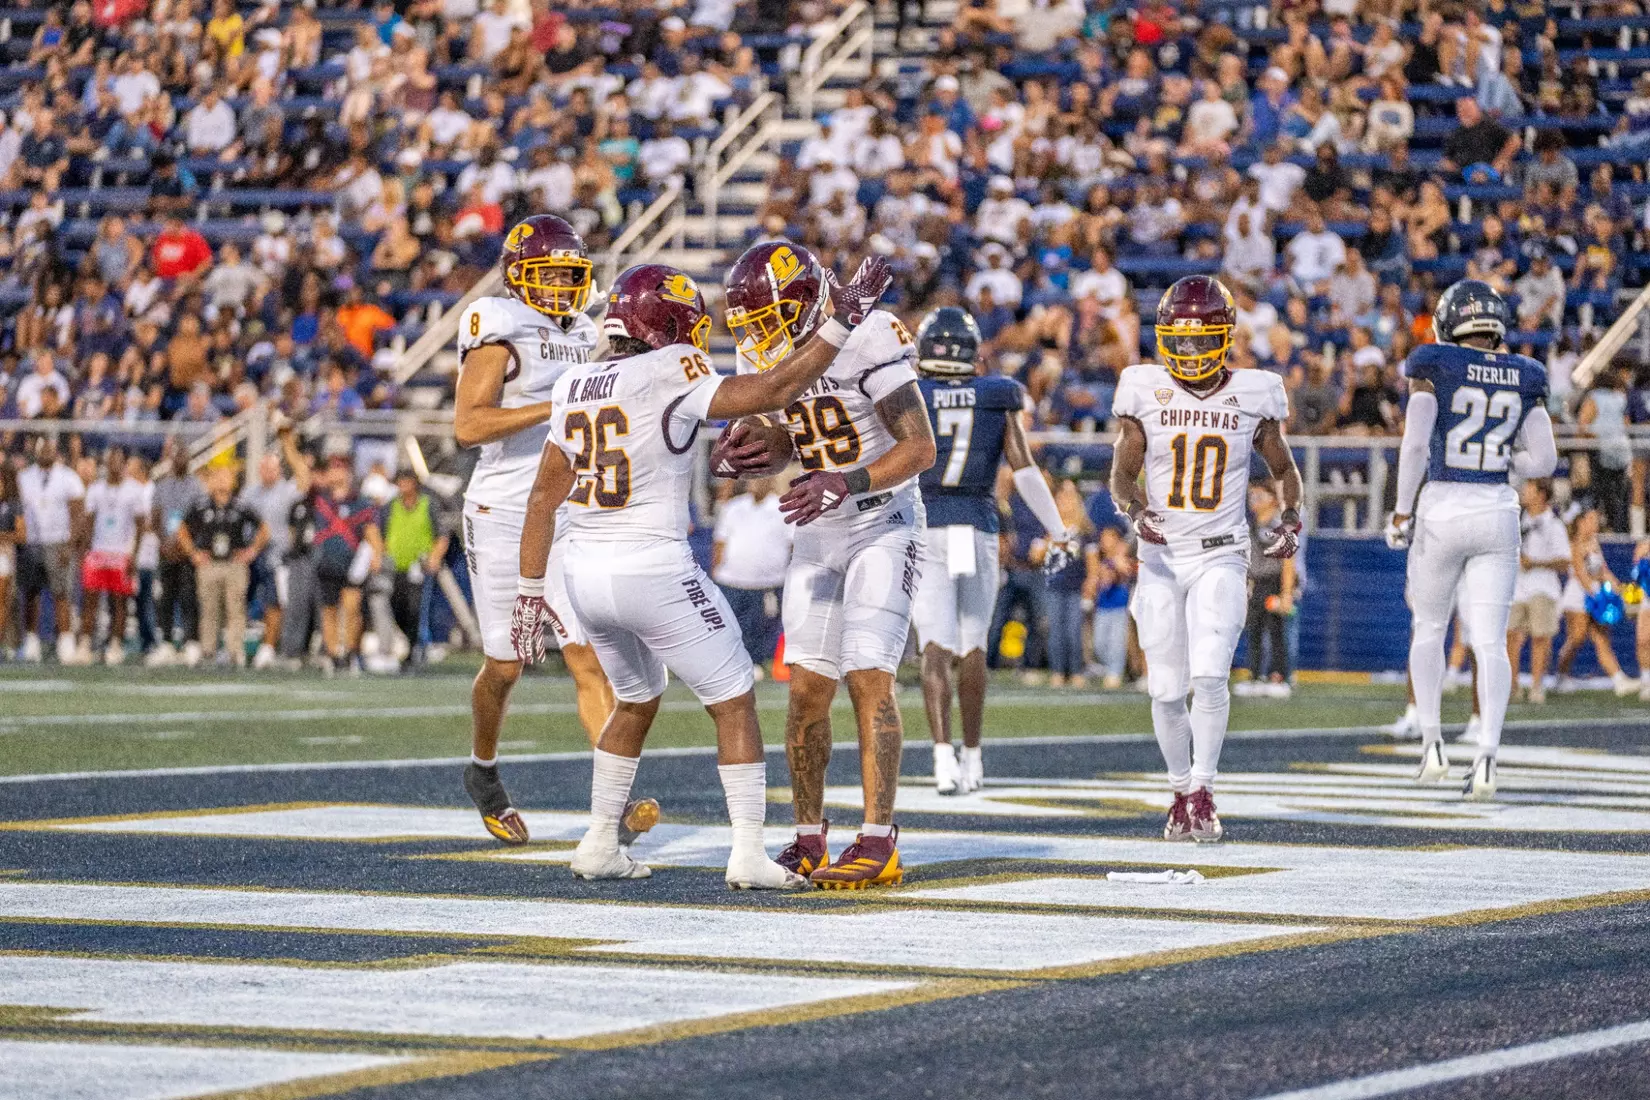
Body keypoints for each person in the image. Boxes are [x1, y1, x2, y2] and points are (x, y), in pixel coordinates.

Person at [514, 258, 891, 886]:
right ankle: (747, 853)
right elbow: (770, 393)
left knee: (635, 698)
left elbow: (540, 497)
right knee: (734, 695)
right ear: (669, 323)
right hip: (652, 565)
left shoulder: (572, 383)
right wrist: (842, 321)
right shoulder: (671, 366)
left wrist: (529, 590)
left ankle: (600, 842)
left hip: (582, 572)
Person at [717, 240, 937, 888]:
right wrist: (765, 448)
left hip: (883, 522)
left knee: (869, 674)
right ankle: (809, 838)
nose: (760, 335)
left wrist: (848, 480)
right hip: (820, 526)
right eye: (750, 323)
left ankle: (878, 839)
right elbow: (803, 429)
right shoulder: (771, 346)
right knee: (807, 688)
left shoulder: (868, 335)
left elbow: (920, 447)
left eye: (769, 317)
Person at [1110, 275, 1303, 842]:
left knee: (1211, 672)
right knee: (1166, 688)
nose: (1190, 351)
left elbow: (1284, 470)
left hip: (1222, 553)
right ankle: (1177, 790)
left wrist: (1291, 518)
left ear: (1225, 336)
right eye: (1181, 339)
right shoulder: (1143, 388)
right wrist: (1132, 508)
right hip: (1162, 556)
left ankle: (1203, 789)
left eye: (1202, 339)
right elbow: (1123, 471)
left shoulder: (1254, 391)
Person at [454, 215, 617, 846]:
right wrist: (553, 407)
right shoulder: (498, 324)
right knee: (505, 664)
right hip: (501, 512)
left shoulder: (585, 327)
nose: (562, 287)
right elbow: (468, 425)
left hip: (565, 510)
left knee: (587, 658)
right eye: (550, 275)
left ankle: (613, 799)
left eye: (570, 276)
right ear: (519, 277)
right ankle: (485, 771)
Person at [1386, 280, 1557, 801]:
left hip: (1442, 507)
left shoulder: (1433, 363)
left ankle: (1433, 745)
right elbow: (1545, 461)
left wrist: (1400, 510)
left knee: (1429, 627)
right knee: (1489, 641)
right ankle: (1487, 759)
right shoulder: (1524, 374)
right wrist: (1507, 459)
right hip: (1497, 512)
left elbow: (1416, 444)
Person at [908, 306, 1074, 795]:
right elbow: (1023, 470)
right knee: (972, 641)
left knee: (935, 644)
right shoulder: (996, 394)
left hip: (928, 526)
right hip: (975, 529)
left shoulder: (910, 394)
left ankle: (942, 759)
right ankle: (974, 757)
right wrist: (1057, 527)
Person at [178, 462, 268, 666]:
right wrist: (193, 553)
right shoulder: (201, 505)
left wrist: (252, 551)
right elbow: (182, 529)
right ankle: (208, 650)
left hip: (234, 564)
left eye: (225, 476)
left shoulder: (241, 505)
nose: (221, 480)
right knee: (209, 609)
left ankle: (235, 652)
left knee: (235, 608)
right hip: (209, 564)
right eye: (217, 476)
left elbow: (264, 529)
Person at [710, 477, 792, 678]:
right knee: (728, 624)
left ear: (771, 481)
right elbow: (720, 541)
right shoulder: (734, 507)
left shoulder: (783, 509)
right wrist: (715, 570)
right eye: (752, 480)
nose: (753, 483)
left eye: (759, 479)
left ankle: (754, 661)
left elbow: (792, 545)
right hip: (731, 578)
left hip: (767, 581)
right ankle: (725, 664)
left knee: (760, 625)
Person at [311, 454, 382, 674]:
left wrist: (376, 555)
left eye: (341, 469)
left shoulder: (359, 502)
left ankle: (351, 652)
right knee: (329, 610)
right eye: (333, 469)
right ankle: (334, 655)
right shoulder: (320, 499)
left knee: (352, 609)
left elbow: (372, 532)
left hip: (352, 564)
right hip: (327, 562)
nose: (337, 474)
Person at [17, 437, 86, 664]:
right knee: (31, 593)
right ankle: (32, 642)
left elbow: (77, 515)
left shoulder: (68, 477)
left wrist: (70, 544)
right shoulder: (25, 477)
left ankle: (65, 643)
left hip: (58, 540)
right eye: (41, 447)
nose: (45, 451)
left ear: (56, 451)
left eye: (49, 447)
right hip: (33, 541)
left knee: (61, 593)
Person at [1553, 504, 1633, 695]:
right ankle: (1561, 675)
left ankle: (1619, 680)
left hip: (1596, 594)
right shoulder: (1573, 543)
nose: (1594, 524)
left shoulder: (1594, 542)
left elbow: (1603, 570)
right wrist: (1597, 595)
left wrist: (1618, 588)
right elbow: (1580, 573)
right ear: (1580, 522)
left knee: (1601, 638)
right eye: (1590, 520)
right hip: (1577, 596)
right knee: (1577, 638)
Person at [79, 445, 147, 665]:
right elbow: (88, 522)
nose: (114, 465)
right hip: (98, 551)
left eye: (118, 460)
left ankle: (116, 645)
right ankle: (85, 645)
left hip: (121, 552)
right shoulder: (96, 489)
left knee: (119, 602)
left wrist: (134, 555)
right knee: (90, 600)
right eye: (111, 460)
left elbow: (140, 525)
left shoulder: (134, 490)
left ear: (125, 464)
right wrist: (85, 552)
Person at [382, 468, 449, 669]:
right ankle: (411, 643)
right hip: (397, 566)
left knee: (415, 608)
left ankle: (415, 649)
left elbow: (441, 535)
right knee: (396, 606)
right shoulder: (391, 506)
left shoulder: (428, 505)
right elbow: (381, 531)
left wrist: (435, 557)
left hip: (419, 567)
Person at [1508, 479, 1568, 704]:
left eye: (1529, 489)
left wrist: (1536, 563)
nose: (1524, 493)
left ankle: (1536, 686)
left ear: (1542, 494)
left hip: (1542, 587)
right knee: (1510, 635)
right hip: (1517, 587)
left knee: (1540, 637)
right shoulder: (1516, 520)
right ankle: (1512, 686)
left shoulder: (1553, 525)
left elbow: (1564, 561)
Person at [239, 451, 301, 669]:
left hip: (278, 555)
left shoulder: (288, 491)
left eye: (271, 468)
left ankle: (269, 646)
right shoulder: (249, 493)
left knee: (274, 602)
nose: (267, 473)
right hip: (250, 555)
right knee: (242, 599)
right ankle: (238, 645)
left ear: (279, 470)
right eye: (263, 468)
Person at [147, 445, 207, 667]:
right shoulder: (162, 486)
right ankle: (167, 643)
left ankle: (192, 641)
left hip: (188, 552)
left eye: (184, 456)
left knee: (189, 596)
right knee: (165, 597)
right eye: (177, 456)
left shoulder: (197, 487)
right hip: (166, 550)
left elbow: (200, 520)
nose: (180, 460)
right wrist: (164, 543)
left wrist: (186, 546)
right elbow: (155, 517)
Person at [1243, 480, 1297, 697]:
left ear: (1272, 499)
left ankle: (1279, 675)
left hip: (1274, 581)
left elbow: (1288, 560)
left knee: (1275, 630)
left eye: (1258, 495)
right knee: (1254, 628)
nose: (1253, 500)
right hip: (1256, 582)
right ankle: (1255, 675)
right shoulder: (1250, 523)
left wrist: (1286, 592)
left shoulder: (1279, 524)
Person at [1085, 524, 1134, 689]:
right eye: (1103, 538)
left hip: (1119, 607)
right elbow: (1094, 583)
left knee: (1116, 643)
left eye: (1110, 538)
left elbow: (1123, 575)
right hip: (1102, 608)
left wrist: (1115, 568)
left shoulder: (1121, 560)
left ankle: (1115, 672)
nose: (1106, 542)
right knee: (1099, 644)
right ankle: (1109, 668)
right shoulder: (1098, 561)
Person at [0, 462, 22, 659]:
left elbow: (21, 534)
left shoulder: (13, 505)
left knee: (3, 601)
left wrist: (3, 537)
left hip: (4, 555)